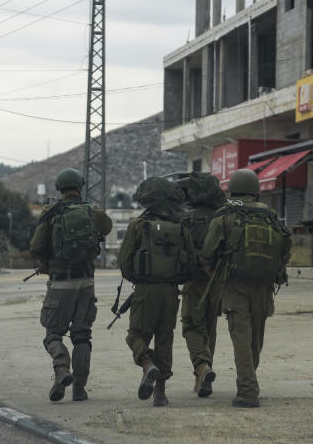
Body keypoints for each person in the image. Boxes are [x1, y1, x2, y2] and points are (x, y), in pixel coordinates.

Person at [200, 169, 290, 408]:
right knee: (255, 340)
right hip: (264, 286)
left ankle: (248, 391)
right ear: (256, 190)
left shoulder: (225, 214)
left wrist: (219, 275)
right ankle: (248, 380)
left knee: (241, 338)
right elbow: (284, 248)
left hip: (234, 285)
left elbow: (207, 253)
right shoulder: (269, 214)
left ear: (233, 190)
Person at [29, 168, 113, 402]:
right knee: (82, 336)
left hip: (60, 284)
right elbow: (107, 227)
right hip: (86, 283)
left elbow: (36, 246)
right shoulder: (91, 212)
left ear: (60, 188)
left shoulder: (51, 213)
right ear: (80, 186)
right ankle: (79, 388)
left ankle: (61, 368)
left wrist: (45, 262)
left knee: (53, 334)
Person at [117, 177, 195, 407]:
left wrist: (141, 279)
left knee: (135, 335)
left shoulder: (138, 225)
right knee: (165, 338)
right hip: (171, 292)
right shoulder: (181, 227)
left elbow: (124, 262)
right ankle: (160, 393)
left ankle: (147, 365)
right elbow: (191, 262)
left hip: (145, 290)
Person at [176, 172, 226, 397]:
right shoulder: (223, 217)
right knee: (209, 329)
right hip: (218, 282)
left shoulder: (185, 218)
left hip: (194, 281)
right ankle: (203, 376)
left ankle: (202, 366)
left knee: (191, 327)